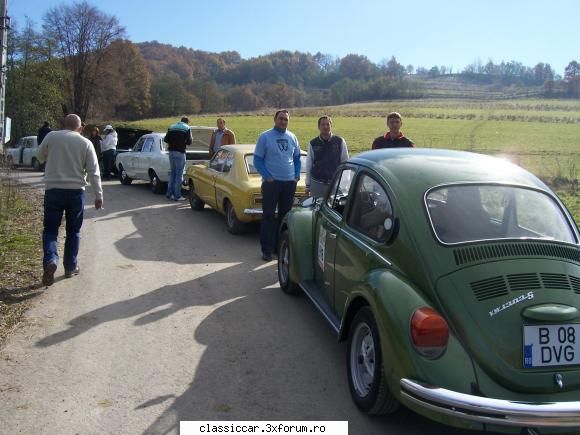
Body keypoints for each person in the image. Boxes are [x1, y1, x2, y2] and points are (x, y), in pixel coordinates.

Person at [36, 114, 103, 286]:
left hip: (53, 191)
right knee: (73, 231)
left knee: (50, 230)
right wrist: (98, 196)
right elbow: (94, 172)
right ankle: (70, 267)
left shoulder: (51, 136)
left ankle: (51, 260)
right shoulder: (85, 143)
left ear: (62, 124)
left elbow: (39, 156)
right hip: (75, 193)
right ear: (80, 128)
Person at [254, 109, 301, 261]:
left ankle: (278, 248)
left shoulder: (292, 137)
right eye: (281, 119)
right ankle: (266, 250)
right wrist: (267, 177)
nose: (283, 121)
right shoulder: (265, 137)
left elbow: (297, 158)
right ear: (275, 119)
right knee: (268, 216)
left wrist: (296, 175)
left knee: (284, 217)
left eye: (286, 119)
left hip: (289, 184)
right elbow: (257, 160)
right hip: (272, 184)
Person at [305, 116, 349, 199]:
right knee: (316, 209)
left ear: (331, 126)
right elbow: (309, 165)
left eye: (328, 124)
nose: (325, 127)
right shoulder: (312, 143)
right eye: (323, 124)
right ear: (319, 127)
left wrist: (344, 184)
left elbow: (345, 163)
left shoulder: (340, 141)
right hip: (316, 183)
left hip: (334, 184)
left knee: (334, 209)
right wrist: (308, 184)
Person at [164, 116, 193, 201]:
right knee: (179, 174)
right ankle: (177, 196)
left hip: (171, 152)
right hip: (180, 152)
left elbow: (166, 139)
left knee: (173, 173)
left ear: (181, 121)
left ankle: (169, 194)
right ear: (187, 122)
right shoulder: (187, 128)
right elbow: (189, 142)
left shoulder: (172, 126)